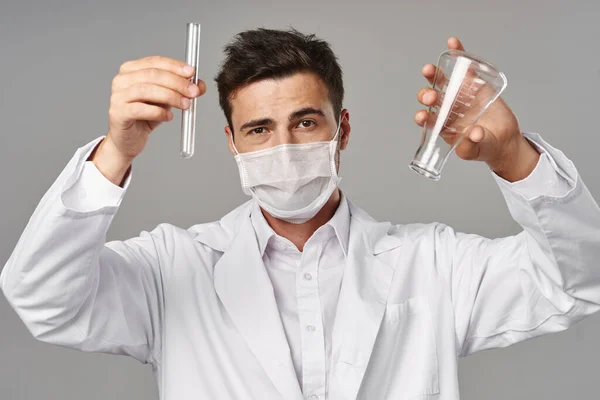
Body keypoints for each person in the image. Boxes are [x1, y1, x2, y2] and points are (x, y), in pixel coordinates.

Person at [1, 28, 599, 400]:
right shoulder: (171, 269)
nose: (283, 146)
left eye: (305, 121)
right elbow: (43, 298)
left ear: (341, 129)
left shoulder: (431, 263)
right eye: (259, 129)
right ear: (232, 142)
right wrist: (115, 152)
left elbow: (579, 283)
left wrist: (514, 158)